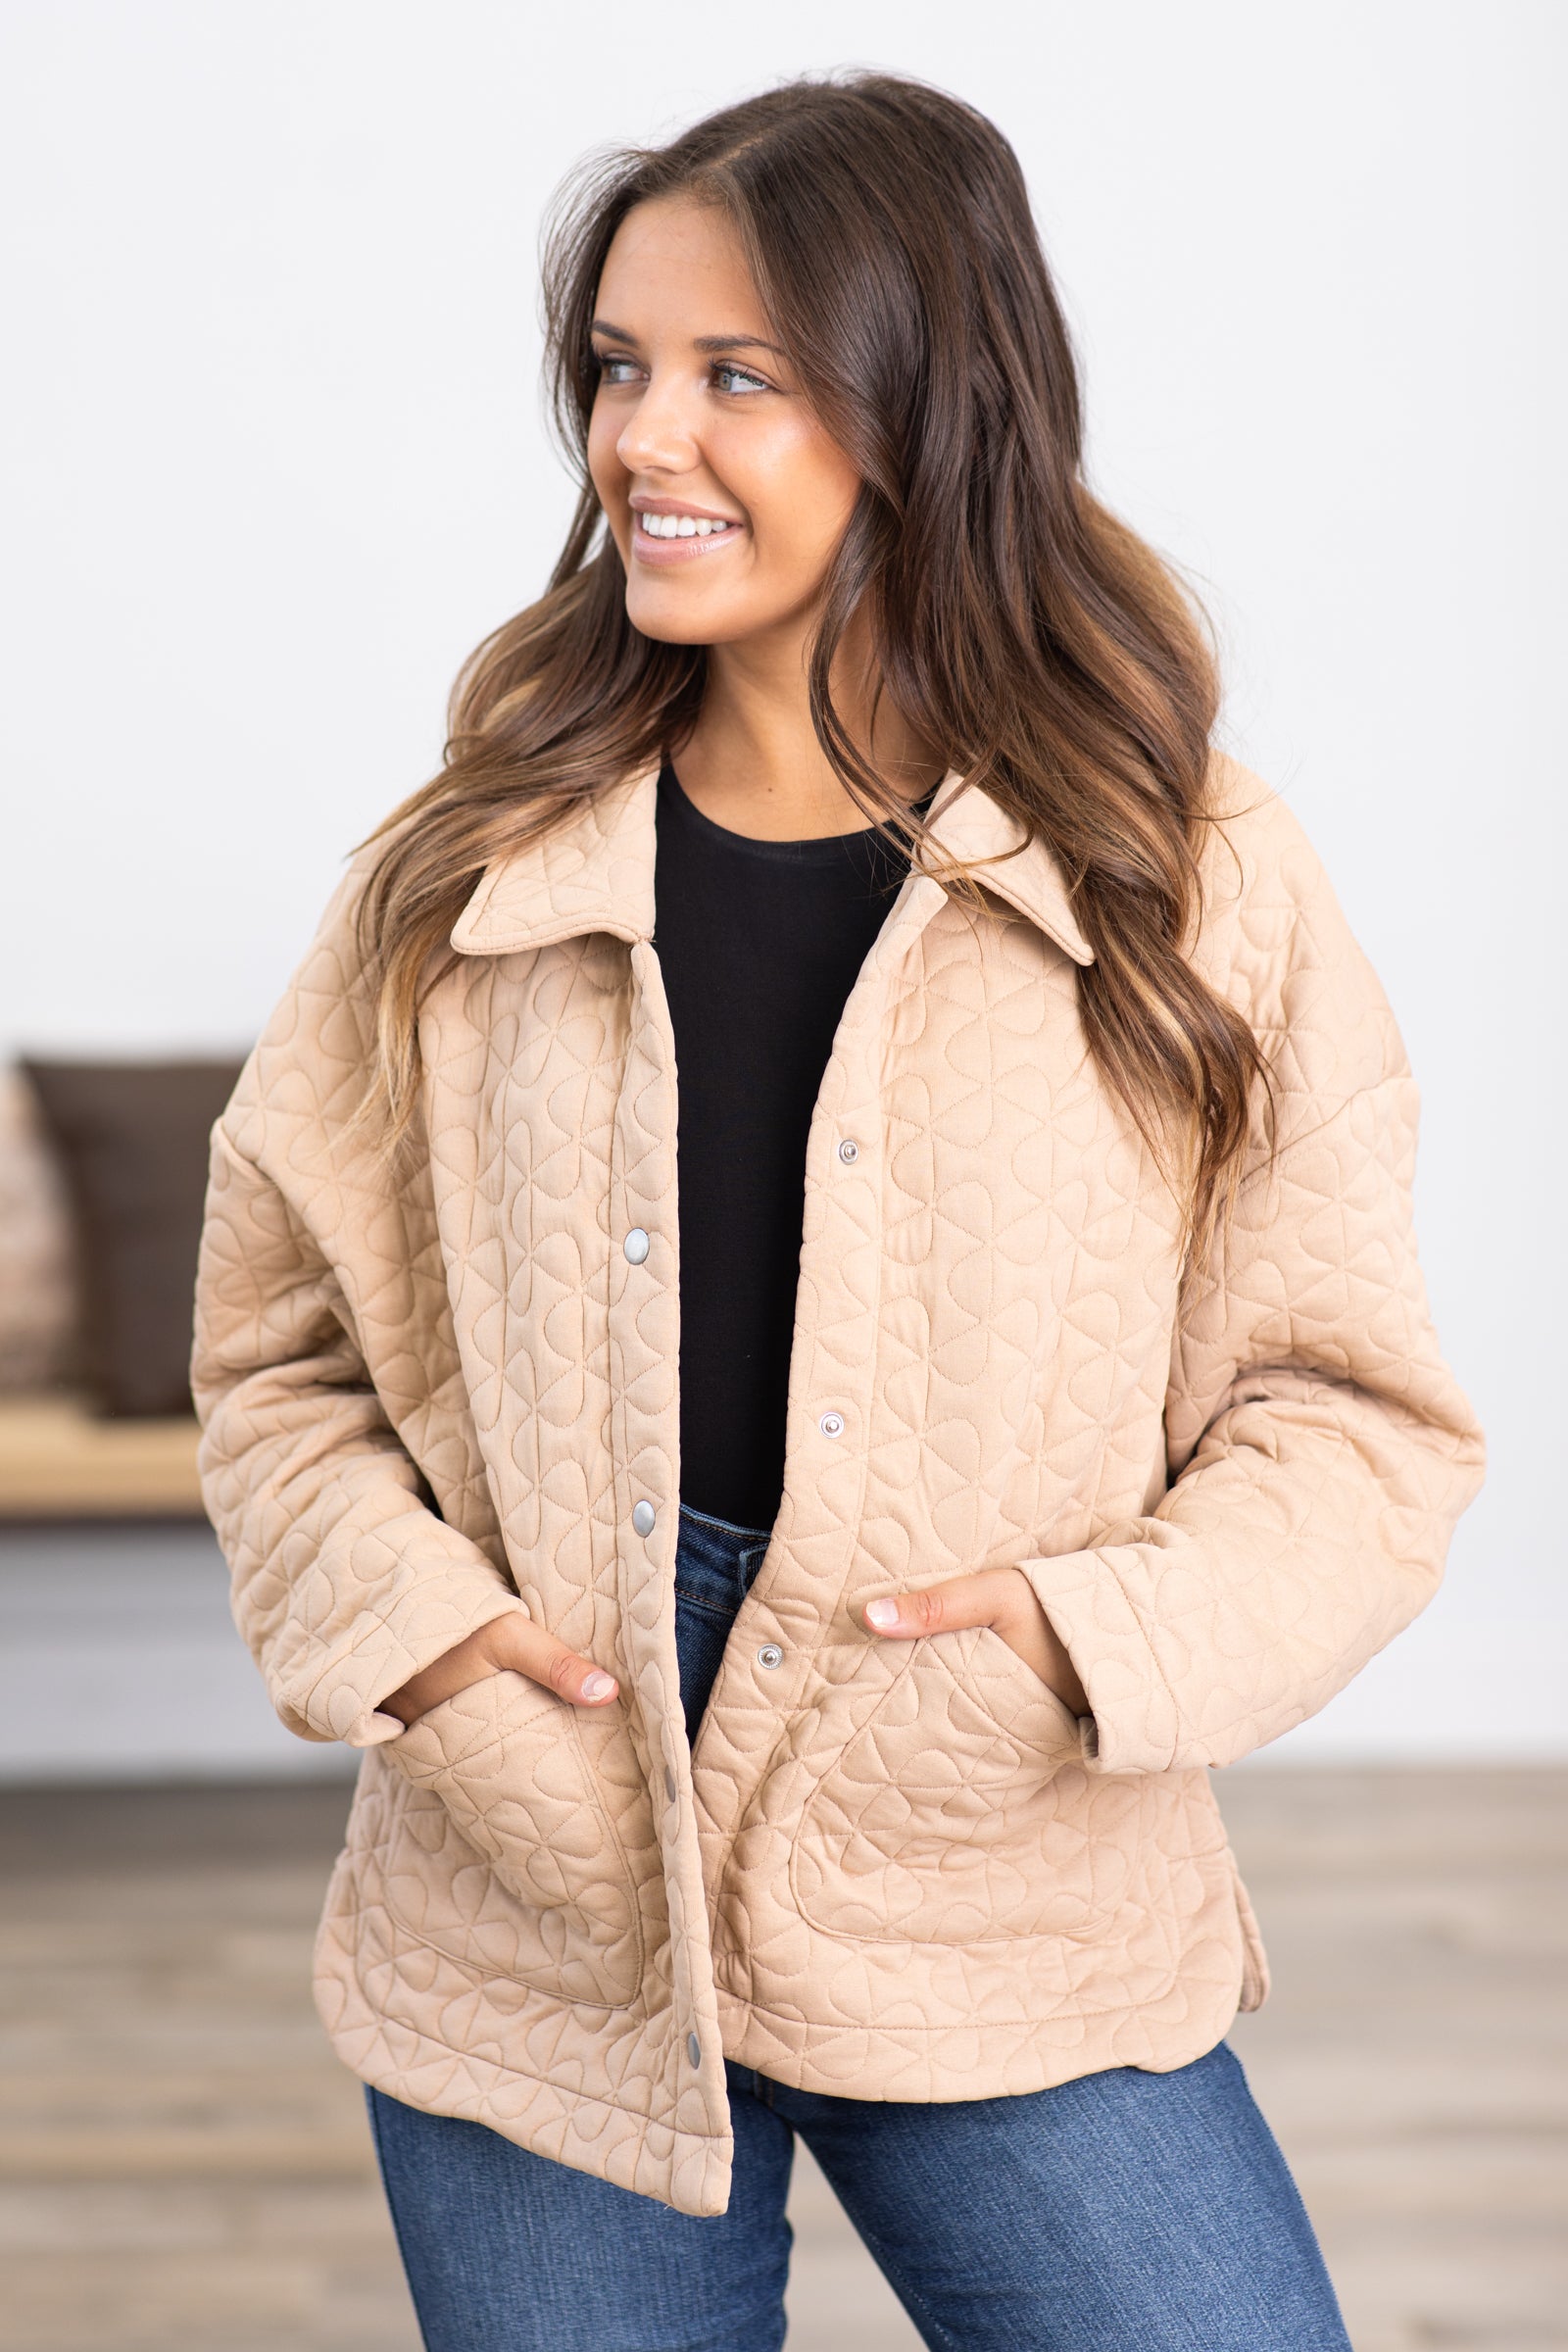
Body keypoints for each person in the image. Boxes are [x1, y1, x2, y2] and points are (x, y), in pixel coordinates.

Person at [191, 71, 1485, 2352]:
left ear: (925, 408)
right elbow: (280, 1351)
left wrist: (1056, 1655)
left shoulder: (1179, 869)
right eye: (618, 367)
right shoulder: (466, 864)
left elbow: (1350, 1423)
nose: (641, 440)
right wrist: (432, 1646)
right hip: (543, 1855)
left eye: (737, 375)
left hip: (980, 1839)